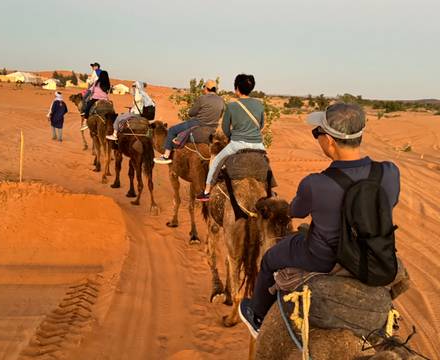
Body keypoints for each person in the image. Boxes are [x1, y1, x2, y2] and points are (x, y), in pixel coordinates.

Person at [238, 103, 401, 338]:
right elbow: (388, 204)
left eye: (318, 133)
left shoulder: (314, 183)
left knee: (269, 259)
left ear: (330, 140)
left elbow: (296, 211)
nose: (318, 138)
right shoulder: (390, 171)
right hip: (374, 253)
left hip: (322, 258)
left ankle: (257, 316)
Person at [195, 74, 264, 200]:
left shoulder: (232, 106)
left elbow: (226, 129)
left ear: (237, 88)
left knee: (215, 163)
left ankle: (206, 192)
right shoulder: (259, 104)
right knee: (266, 167)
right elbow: (261, 125)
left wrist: (234, 136)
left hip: (237, 145)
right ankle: (271, 191)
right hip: (259, 145)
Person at [153, 79, 224, 164]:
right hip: (213, 128)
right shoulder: (221, 100)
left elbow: (191, 113)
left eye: (204, 87)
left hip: (198, 123)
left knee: (172, 130)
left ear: (206, 89)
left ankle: (166, 156)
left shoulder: (202, 98)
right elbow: (220, 115)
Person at [80, 62, 102, 130]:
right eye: (92, 66)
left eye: (94, 66)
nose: (93, 67)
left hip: (93, 87)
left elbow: (91, 81)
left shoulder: (95, 72)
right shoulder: (101, 72)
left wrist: (88, 80)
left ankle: (84, 112)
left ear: (97, 67)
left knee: (85, 98)